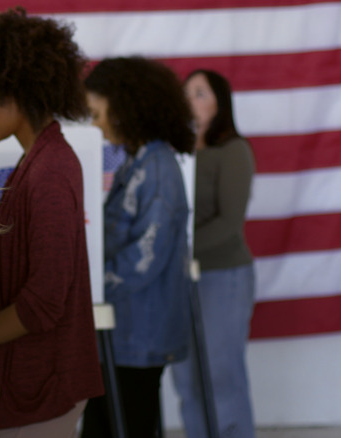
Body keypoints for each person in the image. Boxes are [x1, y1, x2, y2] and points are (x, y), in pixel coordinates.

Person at [0, 8, 103, 438]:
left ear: (17, 91)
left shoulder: (49, 170)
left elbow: (45, 301)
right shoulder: (39, 161)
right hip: (34, 378)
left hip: (44, 382)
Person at [82, 56, 194, 438]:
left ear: (126, 108)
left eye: (98, 113)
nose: (95, 124)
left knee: (124, 423)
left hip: (140, 331)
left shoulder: (157, 168)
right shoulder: (137, 162)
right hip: (124, 329)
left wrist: (91, 288)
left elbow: (146, 256)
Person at [171, 69, 257, 438]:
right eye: (187, 92)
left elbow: (229, 224)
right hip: (179, 278)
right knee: (186, 377)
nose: (191, 99)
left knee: (221, 373)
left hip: (222, 276)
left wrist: (175, 252)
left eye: (200, 92)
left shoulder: (233, 151)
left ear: (220, 103)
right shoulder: (175, 151)